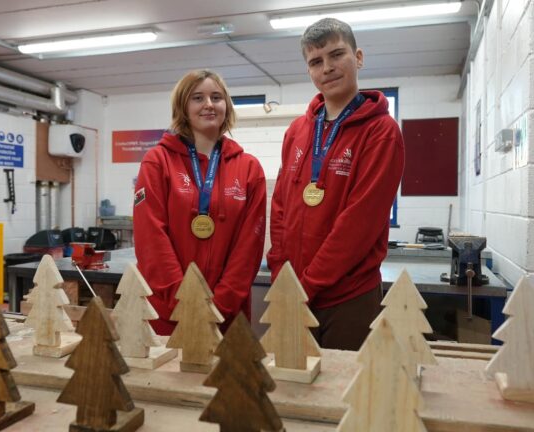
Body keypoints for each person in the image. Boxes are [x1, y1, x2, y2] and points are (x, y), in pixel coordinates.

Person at [267, 18, 405, 350]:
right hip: (294, 290)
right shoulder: (297, 131)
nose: (327, 68)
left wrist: (307, 285)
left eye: (336, 54)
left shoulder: (381, 132)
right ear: (309, 71)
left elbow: (359, 223)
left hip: (348, 296)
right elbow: (281, 206)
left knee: (343, 382)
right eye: (316, 61)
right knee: (292, 379)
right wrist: (281, 274)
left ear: (358, 57)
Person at [133, 69, 267, 335]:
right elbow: (151, 239)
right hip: (168, 313)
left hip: (227, 316)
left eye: (216, 97)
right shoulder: (158, 161)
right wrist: (184, 303)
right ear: (183, 107)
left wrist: (220, 306)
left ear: (226, 105)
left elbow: (249, 247)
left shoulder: (249, 168)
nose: (209, 104)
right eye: (197, 98)